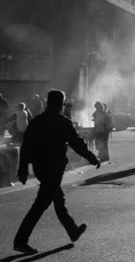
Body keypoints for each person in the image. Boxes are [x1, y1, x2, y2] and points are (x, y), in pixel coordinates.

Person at [13, 89, 101, 255]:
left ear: (47, 102)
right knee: (40, 205)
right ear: (61, 104)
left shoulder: (37, 121)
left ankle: (73, 231)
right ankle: (20, 241)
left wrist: (23, 168)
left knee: (58, 198)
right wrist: (92, 157)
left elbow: (27, 146)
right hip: (54, 169)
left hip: (40, 168)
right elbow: (77, 143)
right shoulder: (63, 122)